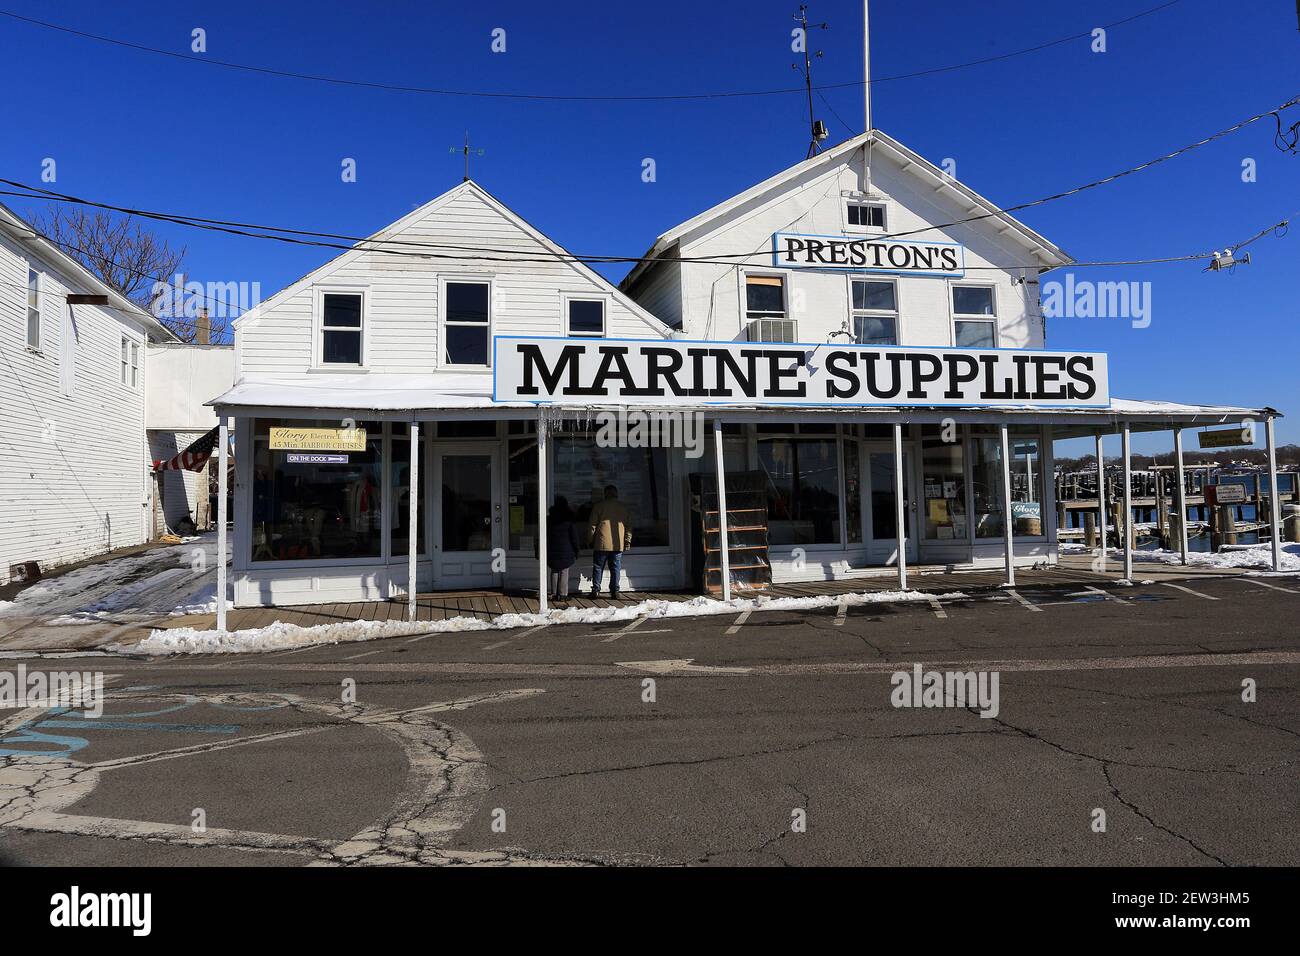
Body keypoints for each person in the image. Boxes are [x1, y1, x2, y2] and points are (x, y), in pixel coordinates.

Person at [586, 484, 632, 598]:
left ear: (605, 494)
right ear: (616, 494)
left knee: (598, 567)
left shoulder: (599, 506)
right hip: (618, 544)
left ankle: (596, 590)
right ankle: (615, 591)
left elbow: (592, 526)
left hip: (601, 543)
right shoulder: (623, 507)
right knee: (615, 568)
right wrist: (627, 541)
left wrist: (589, 540)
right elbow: (628, 527)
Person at [546, 496, 581, 601]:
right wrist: (577, 549)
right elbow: (574, 536)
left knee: (554, 570)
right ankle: (563, 594)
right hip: (566, 549)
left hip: (552, 548)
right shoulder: (569, 519)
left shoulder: (549, 518)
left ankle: (553, 593)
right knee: (564, 571)